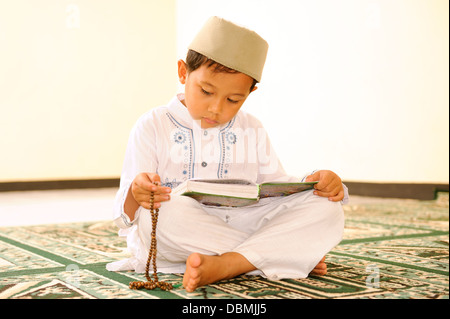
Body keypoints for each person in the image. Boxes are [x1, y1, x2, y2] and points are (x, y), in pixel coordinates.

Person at [107, 16, 348, 293]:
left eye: (233, 100)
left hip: (243, 222)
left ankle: (229, 263)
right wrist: (138, 193)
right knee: (159, 212)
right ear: (183, 73)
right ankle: (277, 254)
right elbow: (125, 214)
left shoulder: (252, 127)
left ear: (250, 92)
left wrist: (316, 182)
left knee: (326, 206)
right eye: (206, 91)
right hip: (182, 230)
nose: (216, 108)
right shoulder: (152, 125)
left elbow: (278, 189)